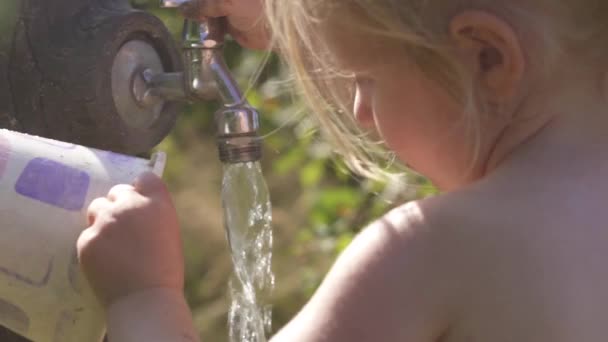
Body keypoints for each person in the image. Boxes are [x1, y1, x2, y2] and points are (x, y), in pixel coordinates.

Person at [77, 0, 608, 341]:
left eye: (365, 77)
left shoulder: (431, 253)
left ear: (487, 58)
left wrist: (143, 297)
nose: (359, 112)